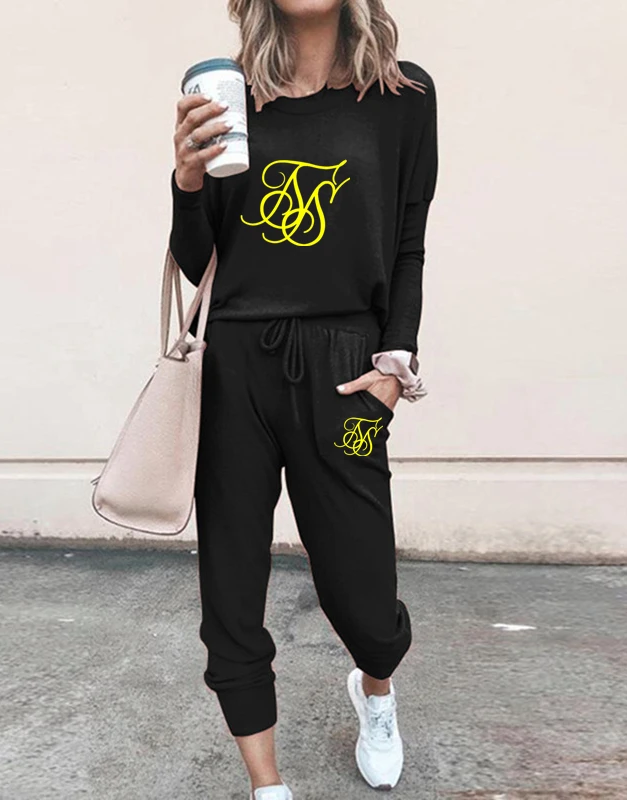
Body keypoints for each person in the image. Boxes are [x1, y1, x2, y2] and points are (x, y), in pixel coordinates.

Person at [168, 1, 438, 796]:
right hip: (234, 372)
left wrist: (392, 370)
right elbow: (197, 262)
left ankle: (376, 687)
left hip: (349, 379)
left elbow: (409, 243)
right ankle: (267, 785)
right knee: (231, 590)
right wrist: (186, 181)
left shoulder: (404, 96)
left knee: (364, 589)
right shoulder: (224, 93)